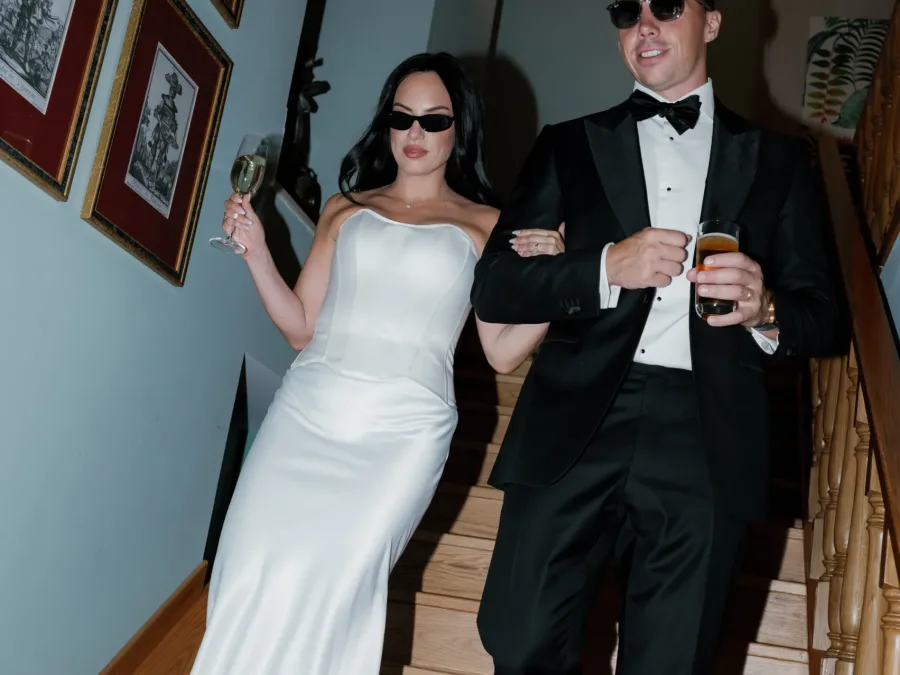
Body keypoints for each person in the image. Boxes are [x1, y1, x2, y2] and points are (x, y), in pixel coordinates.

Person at [470, 1, 839, 674]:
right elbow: (494, 285)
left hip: (706, 434)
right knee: (519, 636)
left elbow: (824, 318)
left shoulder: (780, 160)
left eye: (667, 7)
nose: (644, 25)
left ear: (714, 22)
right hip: (577, 419)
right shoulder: (567, 145)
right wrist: (605, 265)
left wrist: (764, 309)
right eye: (625, 9)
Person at [188, 52, 564, 675]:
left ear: (459, 128)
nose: (415, 134)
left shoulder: (487, 225)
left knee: (338, 594)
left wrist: (552, 284)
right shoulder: (344, 207)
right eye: (402, 117)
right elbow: (302, 329)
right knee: (248, 569)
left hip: (402, 434)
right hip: (307, 414)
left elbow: (499, 352)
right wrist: (256, 252)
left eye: (434, 121)